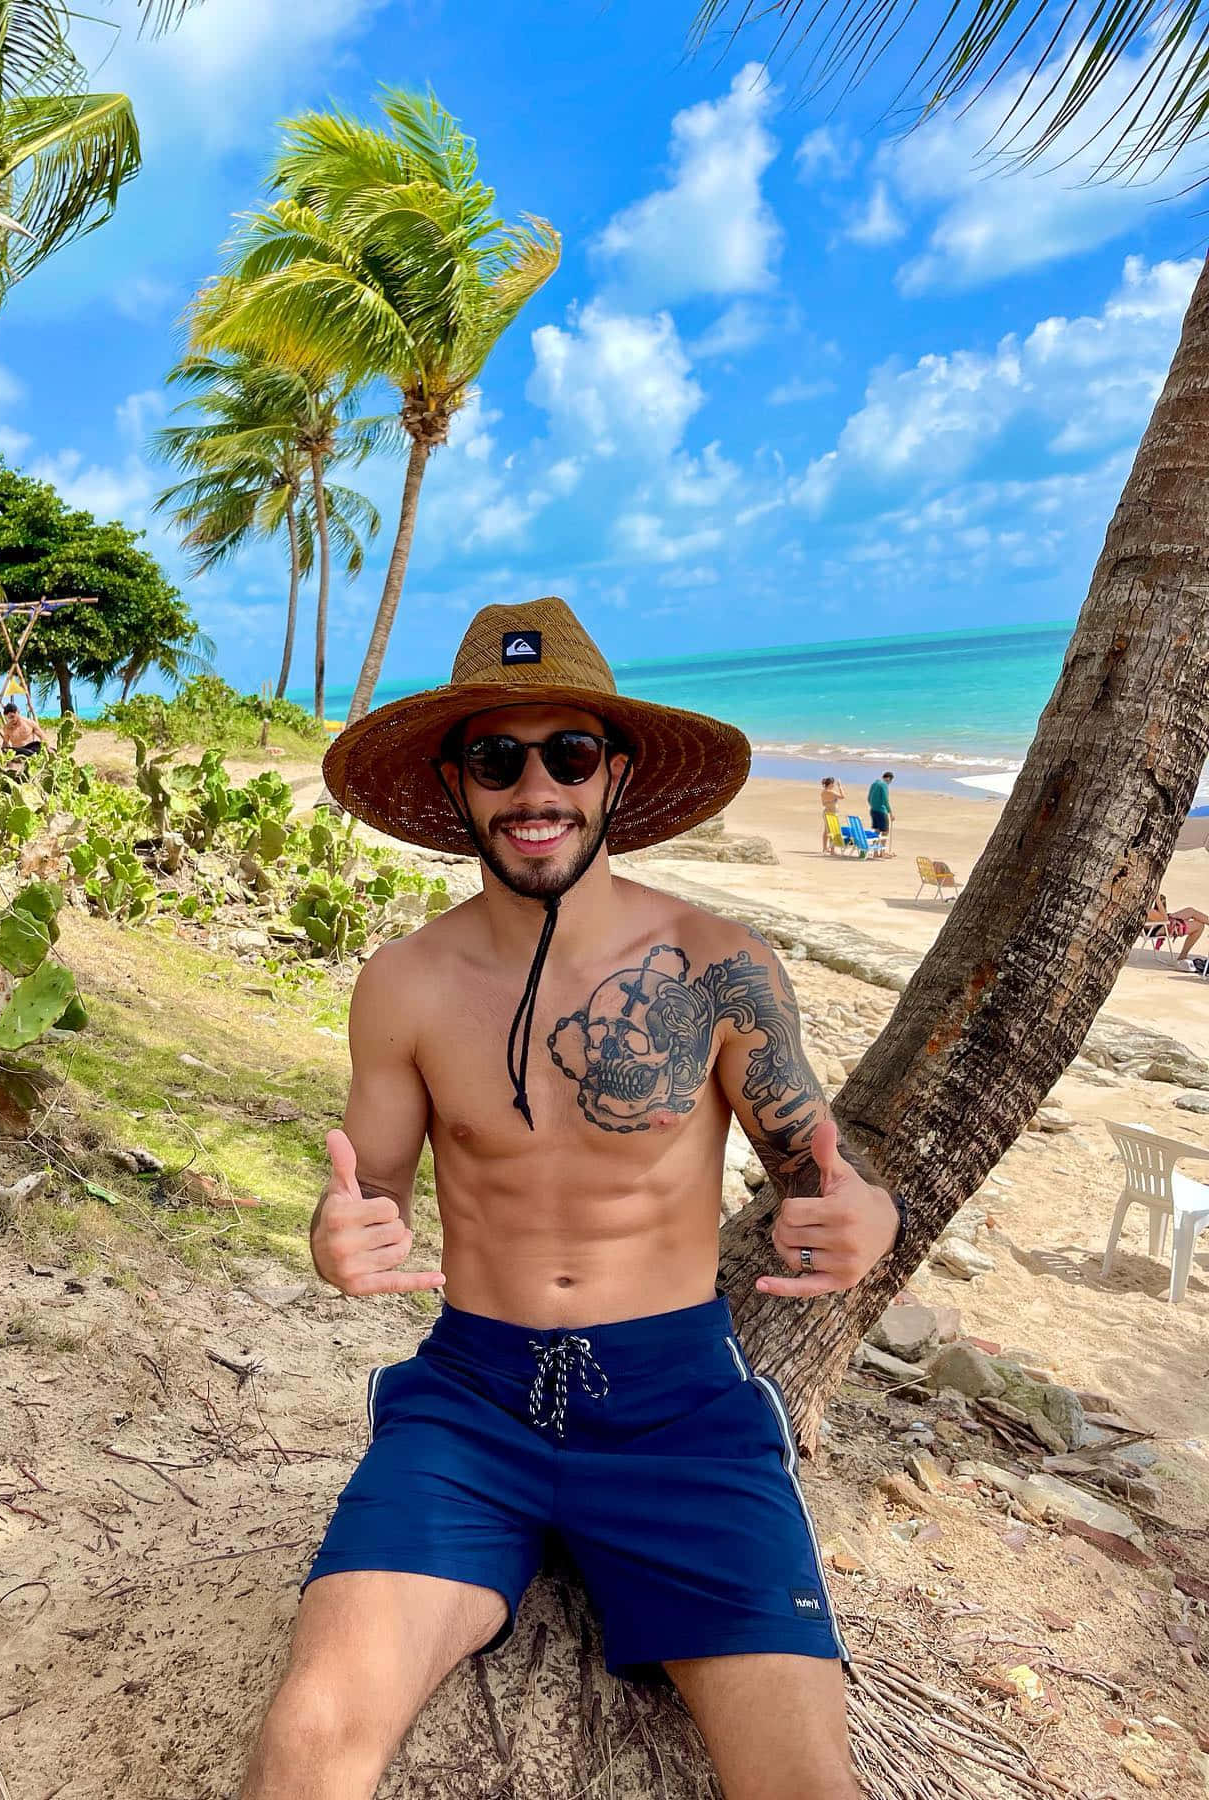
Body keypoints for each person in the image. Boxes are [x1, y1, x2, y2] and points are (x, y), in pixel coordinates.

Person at [240, 598, 903, 1800]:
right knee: (311, 1736)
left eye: (569, 753)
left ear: (617, 772)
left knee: (805, 1781)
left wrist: (870, 1224)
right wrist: (340, 1236)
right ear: (455, 785)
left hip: (679, 1412)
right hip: (473, 1405)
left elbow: (827, 1174)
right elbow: (368, 1191)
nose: (534, 788)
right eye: (497, 758)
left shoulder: (721, 966)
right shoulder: (405, 983)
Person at [1145, 892, 1209, 960]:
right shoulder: (1145, 909)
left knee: (1191, 911)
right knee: (1200, 926)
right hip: (1163, 927)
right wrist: (1157, 899)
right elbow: (1165, 919)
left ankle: (1183, 956)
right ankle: (1182, 956)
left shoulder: (1142, 905)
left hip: (1161, 923)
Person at [867, 770, 894, 851]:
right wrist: (890, 813)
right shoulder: (884, 785)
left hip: (873, 810)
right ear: (888, 778)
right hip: (881, 811)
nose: (889, 783)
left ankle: (875, 851)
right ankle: (882, 851)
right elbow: (885, 800)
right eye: (890, 781)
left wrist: (873, 806)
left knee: (877, 831)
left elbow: (869, 798)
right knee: (885, 831)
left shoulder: (874, 784)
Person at [820, 774, 845, 854]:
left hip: (826, 812)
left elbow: (823, 804)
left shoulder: (823, 792)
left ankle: (825, 848)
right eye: (833, 784)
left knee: (826, 831)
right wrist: (840, 786)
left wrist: (830, 802)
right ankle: (832, 850)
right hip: (832, 813)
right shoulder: (831, 792)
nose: (834, 785)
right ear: (830, 784)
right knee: (832, 831)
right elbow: (842, 796)